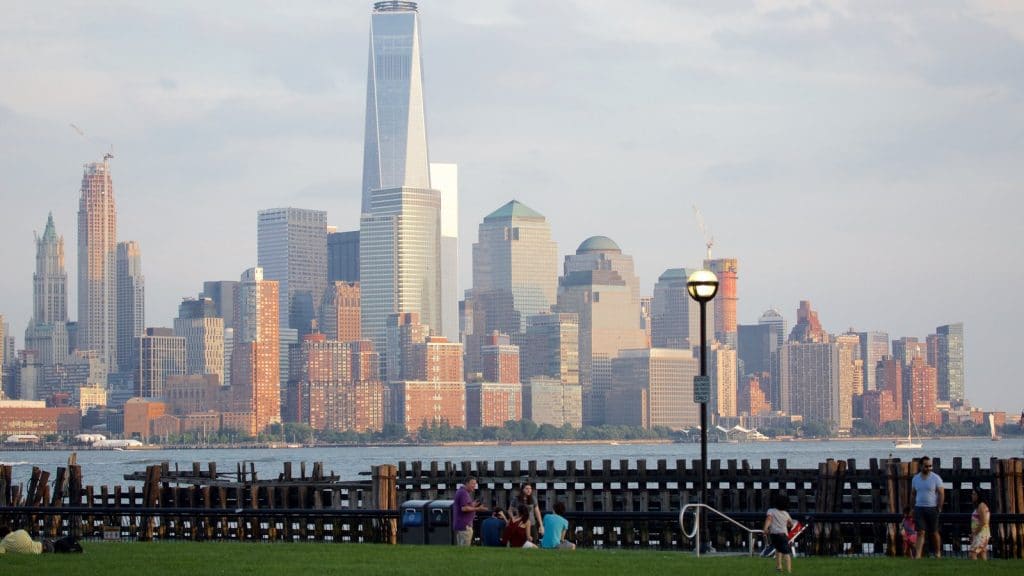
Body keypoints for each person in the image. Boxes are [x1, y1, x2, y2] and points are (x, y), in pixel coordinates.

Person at [911, 455, 945, 559]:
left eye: (930, 466)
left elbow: (941, 493)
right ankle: (918, 555)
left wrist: (939, 507)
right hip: (919, 508)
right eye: (926, 466)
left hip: (932, 508)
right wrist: (912, 507)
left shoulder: (936, 478)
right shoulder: (915, 479)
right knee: (920, 532)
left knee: (934, 532)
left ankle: (938, 553)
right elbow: (913, 494)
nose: (929, 468)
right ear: (921, 466)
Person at [763, 493, 795, 574]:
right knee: (786, 552)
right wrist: (788, 524)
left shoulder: (771, 511)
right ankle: (789, 570)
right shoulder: (786, 513)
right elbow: (791, 524)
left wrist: (765, 528)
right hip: (783, 535)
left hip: (774, 535)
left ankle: (779, 566)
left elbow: (769, 519)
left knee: (778, 549)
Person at [453, 476, 487, 546]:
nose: (474, 486)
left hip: (461, 525)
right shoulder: (463, 493)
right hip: (465, 526)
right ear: (467, 483)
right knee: (464, 548)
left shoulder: (461, 491)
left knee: (461, 547)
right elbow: (464, 508)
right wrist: (478, 509)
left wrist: (473, 504)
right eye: (473, 484)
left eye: (475, 484)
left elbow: (464, 506)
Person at [968, 489, 991, 560]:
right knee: (982, 553)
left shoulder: (981, 506)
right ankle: (985, 570)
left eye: (974, 494)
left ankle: (974, 569)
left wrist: (974, 533)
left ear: (979, 496)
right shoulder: (980, 506)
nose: (972, 496)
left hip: (981, 534)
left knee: (972, 553)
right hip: (983, 533)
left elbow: (983, 522)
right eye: (972, 494)